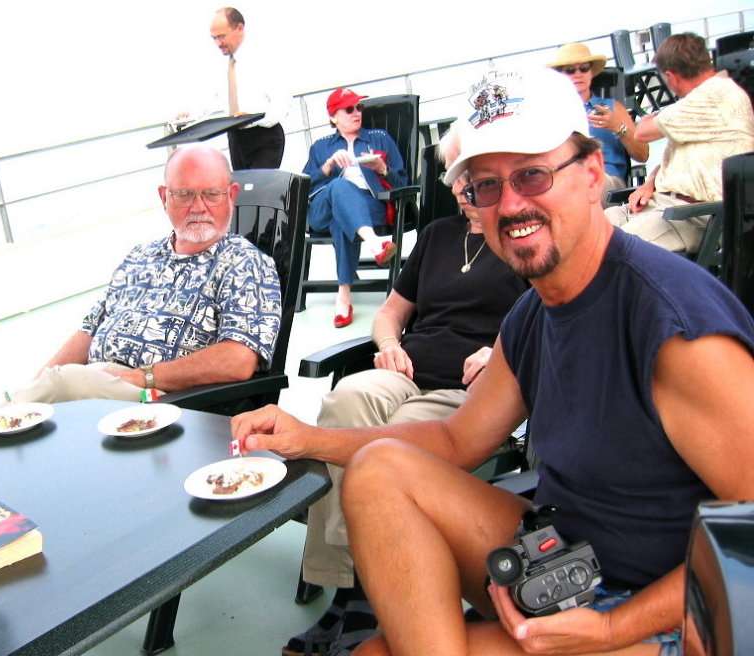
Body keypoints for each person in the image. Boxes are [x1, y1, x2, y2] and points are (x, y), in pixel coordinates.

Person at [231, 66, 754, 656]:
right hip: (568, 570)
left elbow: (751, 541)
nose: (509, 205)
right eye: (486, 185)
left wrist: (615, 626)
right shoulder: (534, 316)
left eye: (532, 175)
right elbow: (457, 441)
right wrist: (306, 439)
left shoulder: (674, 327)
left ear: (591, 175)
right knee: (380, 472)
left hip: (668, 616)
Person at [284, 123, 527, 656]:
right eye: (460, 177)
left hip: (469, 389)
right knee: (344, 399)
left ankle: (369, 597)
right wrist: (390, 341)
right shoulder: (439, 235)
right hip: (407, 368)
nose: (468, 188)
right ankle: (346, 588)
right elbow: (392, 310)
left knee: (393, 443)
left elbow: (543, 321)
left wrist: (502, 352)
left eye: (480, 176)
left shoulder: (522, 237)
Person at [0, 146, 281, 407]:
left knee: (64, 383)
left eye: (211, 194)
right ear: (164, 197)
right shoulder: (140, 256)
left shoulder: (245, 263)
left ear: (230, 196)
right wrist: (35, 386)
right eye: (184, 194)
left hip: (164, 399)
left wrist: (142, 378)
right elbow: (88, 331)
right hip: (94, 384)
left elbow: (238, 360)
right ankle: (5, 413)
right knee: (56, 383)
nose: (198, 206)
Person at [605, 32, 754, 253]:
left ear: (671, 76)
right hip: (660, 205)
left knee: (610, 252)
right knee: (583, 234)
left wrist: (654, 115)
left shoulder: (713, 95)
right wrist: (650, 183)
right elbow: (678, 157)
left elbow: (642, 131)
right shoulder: (698, 102)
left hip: (690, 216)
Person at [303, 88, 408, 328]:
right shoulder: (321, 147)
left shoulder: (380, 139)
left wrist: (382, 169)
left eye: (359, 108)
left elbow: (404, 183)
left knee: (342, 217)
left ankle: (343, 297)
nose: (356, 113)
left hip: (370, 206)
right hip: (322, 208)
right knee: (339, 187)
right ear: (334, 117)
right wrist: (327, 167)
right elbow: (305, 187)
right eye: (349, 109)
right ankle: (374, 243)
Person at [546, 42, 648, 202]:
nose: (578, 74)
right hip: (566, 180)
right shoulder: (552, 113)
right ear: (561, 75)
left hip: (606, 181)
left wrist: (618, 127)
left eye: (584, 68)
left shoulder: (612, 107)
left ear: (591, 72)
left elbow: (643, 155)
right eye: (571, 70)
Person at [208, 7, 289, 170]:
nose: (218, 43)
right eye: (214, 38)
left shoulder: (263, 57)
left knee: (260, 192)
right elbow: (213, 102)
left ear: (239, 28)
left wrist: (253, 118)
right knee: (242, 193)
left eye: (222, 36)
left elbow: (284, 103)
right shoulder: (223, 64)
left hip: (264, 136)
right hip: (236, 137)